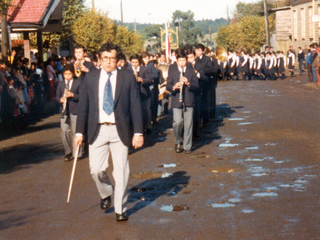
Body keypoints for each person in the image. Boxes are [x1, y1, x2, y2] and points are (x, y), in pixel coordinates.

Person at [74, 42, 143, 221]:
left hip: (119, 130)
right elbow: (83, 106)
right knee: (96, 170)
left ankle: (120, 209)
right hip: (97, 130)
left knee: (121, 172)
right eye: (105, 58)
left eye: (112, 58)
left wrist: (138, 132)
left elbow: (136, 105)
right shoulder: (90, 78)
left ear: (118, 60)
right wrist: (79, 132)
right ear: (99, 59)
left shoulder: (127, 77)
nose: (109, 62)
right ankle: (106, 192)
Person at [166, 49, 198, 153]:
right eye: (180, 61)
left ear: (186, 60)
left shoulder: (190, 70)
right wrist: (174, 86)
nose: (182, 63)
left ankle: (187, 146)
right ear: (176, 61)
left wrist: (188, 83)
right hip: (176, 100)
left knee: (188, 124)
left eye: (183, 60)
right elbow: (168, 86)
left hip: (189, 100)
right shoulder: (173, 71)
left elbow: (196, 86)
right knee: (177, 123)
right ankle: (177, 140)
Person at [56, 64, 82, 162]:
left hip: (75, 110)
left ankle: (77, 153)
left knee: (76, 131)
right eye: (65, 74)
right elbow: (57, 96)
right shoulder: (61, 84)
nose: (67, 76)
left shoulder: (78, 83)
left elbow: (82, 96)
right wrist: (60, 100)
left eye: (69, 74)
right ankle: (68, 151)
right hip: (64, 111)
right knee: (64, 131)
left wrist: (73, 95)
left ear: (72, 74)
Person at [130, 54, 153, 134]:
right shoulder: (128, 70)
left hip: (144, 93)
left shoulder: (144, 70)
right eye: (133, 62)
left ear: (139, 62)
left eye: (136, 62)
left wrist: (142, 80)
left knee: (146, 110)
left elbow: (150, 80)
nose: (134, 64)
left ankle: (148, 126)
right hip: (133, 94)